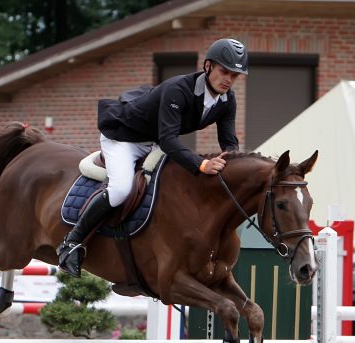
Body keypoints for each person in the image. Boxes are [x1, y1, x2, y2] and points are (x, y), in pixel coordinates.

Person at [56, 37, 249, 277]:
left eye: (235, 75)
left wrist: (234, 166)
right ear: (208, 66)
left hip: (153, 141)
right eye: (224, 72)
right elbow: (169, 140)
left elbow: (229, 142)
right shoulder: (179, 89)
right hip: (124, 138)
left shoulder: (227, 100)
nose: (229, 80)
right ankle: (71, 243)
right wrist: (201, 164)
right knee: (121, 189)